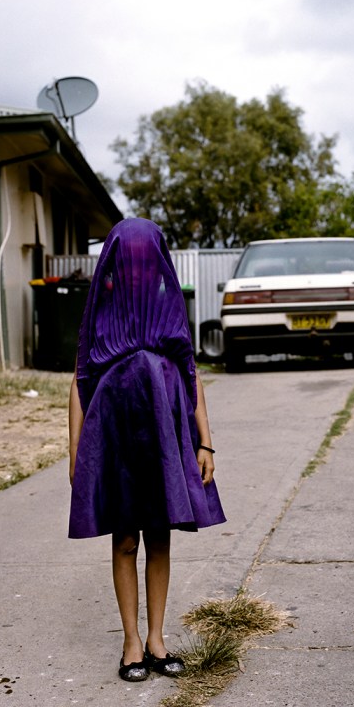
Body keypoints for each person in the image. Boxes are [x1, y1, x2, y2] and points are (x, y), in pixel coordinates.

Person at [68, 217, 226, 683]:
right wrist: (76, 451)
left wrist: (205, 442)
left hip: (164, 431)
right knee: (124, 537)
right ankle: (131, 642)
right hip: (114, 434)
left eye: (145, 259)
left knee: (159, 534)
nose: (136, 268)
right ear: (114, 261)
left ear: (156, 262)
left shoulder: (169, 307)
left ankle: (157, 638)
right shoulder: (101, 310)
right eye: (128, 259)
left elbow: (192, 376)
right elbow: (79, 381)